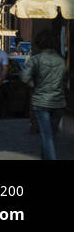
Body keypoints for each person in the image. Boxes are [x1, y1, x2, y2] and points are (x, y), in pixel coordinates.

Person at [21, 30, 67, 160]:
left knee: (47, 137)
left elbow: (24, 78)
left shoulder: (36, 59)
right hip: (59, 102)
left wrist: (34, 85)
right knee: (50, 136)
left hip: (41, 102)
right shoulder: (61, 60)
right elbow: (64, 78)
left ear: (39, 43)